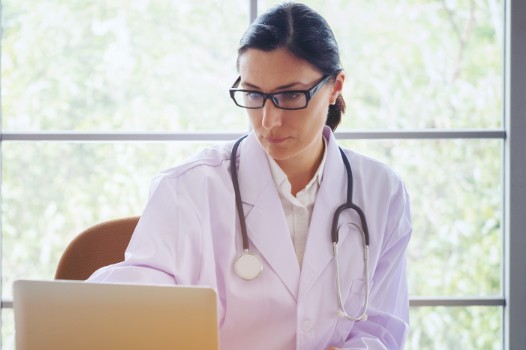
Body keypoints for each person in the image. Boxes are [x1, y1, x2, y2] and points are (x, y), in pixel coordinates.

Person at [88, 2, 412, 349]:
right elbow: (137, 303)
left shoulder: (382, 193)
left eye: (290, 95)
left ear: (335, 87)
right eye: (254, 94)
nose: (269, 120)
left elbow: (381, 331)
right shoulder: (188, 189)